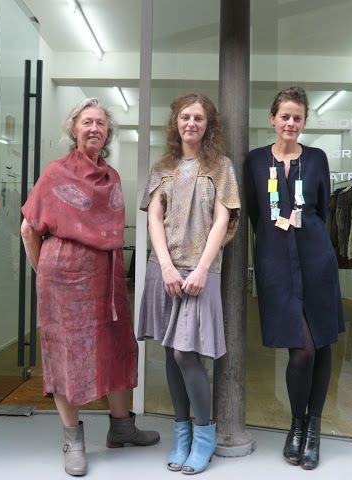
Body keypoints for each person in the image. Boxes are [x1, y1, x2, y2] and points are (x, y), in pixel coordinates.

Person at [20, 98, 159, 477]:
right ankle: (73, 441)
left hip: (106, 280)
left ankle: (122, 428)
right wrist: (45, 273)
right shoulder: (56, 173)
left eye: (100, 123)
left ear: (108, 132)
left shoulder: (111, 177)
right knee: (68, 356)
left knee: (118, 347)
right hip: (64, 280)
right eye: (87, 122)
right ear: (74, 129)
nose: (94, 128)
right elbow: (28, 229)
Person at [138, 93, 240, 475]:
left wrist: (201, 269)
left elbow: (222, 220)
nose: (191, 123)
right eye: (185, 117)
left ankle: (204, 434)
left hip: (201, 272)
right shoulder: (162, 167)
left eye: (198, 118)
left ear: (207, 124)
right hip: (164, 269)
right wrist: (166, 266)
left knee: (185, 353)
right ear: (176, 123)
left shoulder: (221, 166)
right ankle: (181, 435)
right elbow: (154, 218)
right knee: (169, 351)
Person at [244, 87, 345, 470]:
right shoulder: (255, 161)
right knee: (301, 350)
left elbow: (322, 210)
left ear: (304, 122)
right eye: (284, 116)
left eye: (297, 117)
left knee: (322, 344)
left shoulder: (316, 158)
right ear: (272, 118)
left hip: (316, 261)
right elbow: (256, 214)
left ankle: (312, 429)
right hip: (276, 266)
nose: (291, 123)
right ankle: (296, 425)